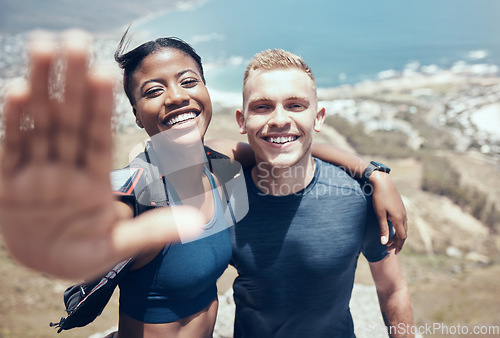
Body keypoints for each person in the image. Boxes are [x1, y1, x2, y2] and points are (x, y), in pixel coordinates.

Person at [0, 30, 407, 337]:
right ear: (137, 116)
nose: (176, 97)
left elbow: (287, 143)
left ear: (207, 91)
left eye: (188, 80)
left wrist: (371, 172)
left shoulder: (225, 167)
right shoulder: (140, 191)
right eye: (153, 90)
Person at [222, 49, 414, 337]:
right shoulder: (222, 200)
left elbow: (391, 287)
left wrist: (373, 175)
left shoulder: (357, 199)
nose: (279, 119)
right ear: (242, 120)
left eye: (295, 105)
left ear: (318, 118)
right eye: (262, 106)